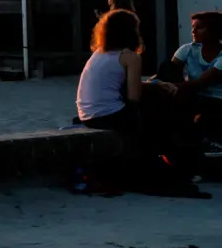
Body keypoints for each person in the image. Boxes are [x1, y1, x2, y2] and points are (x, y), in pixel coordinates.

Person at [76, 9, 202, 177]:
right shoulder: (130, 56)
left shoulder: (99, 53)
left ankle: (174, 157)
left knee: (157, 99)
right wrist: (157, 90)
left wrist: (158, 84)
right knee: (160, 111)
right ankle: (179, 161)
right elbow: (133, 97)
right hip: (109, 116)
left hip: (87, 115)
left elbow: (124, 84)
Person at [154, 11, 222, 153]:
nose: (193, 31)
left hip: (215, 101)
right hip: (193, 97)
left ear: (214, 31)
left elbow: (200, 83)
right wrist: (156, 83)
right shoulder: (188, 49)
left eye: (199, 27)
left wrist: (168, 87)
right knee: (167, 67)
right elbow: (167, 72)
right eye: (193, 27)